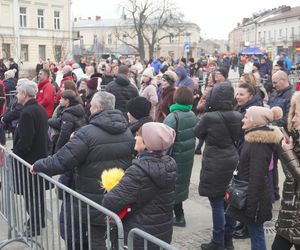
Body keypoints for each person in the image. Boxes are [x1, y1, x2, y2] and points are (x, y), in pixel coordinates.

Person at [31, 91, 134, 249]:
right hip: (117, 195)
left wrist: (38, 165)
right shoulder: (126, 131)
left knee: (95, 237)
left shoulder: (87, 133)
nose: (89, 109)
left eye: (91, 106)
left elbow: (62, 160)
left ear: (98, 108)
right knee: (114, 236)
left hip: (92, 198)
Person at [102, 122, 177, 249]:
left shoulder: (139, 171)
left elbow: (110, 202)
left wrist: (112, 187)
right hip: (160, 232)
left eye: (139, 135)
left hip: (138, 235)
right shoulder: (170, 164)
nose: (135, 138)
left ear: (148, 143)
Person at [226, 106, 283, 250]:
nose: (243, 119)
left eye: (246, 117)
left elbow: (257, 177)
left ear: (255, 122)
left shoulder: (258, 143)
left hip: (254, 199)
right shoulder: (253, 138)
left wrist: (252, 207)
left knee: (257, 235)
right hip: (253, 196)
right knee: (255, 233)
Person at [195, 83, 243, 250]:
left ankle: (217, 241)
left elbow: (198, 133)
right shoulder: (237, 116)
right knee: (229, 203)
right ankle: (228, 240)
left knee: (216, 203)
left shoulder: (209, 117)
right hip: (232, 159)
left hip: (214, 161)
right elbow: (240, 136)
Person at [13, 79, 49, 236]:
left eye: (19, 92)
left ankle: (34, 225)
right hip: (39, 157)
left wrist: (16, 153)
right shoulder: (38, 108)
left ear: (25, 94)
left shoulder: (28, 112)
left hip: (29, 160)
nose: (16, 95)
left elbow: (26, 139)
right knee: (37, 193)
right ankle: (38, 220)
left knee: (31, 195)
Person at [164, 86, 197, 227]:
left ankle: (173, 217)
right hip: (186, 158)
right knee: (179, 186)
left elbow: (164, 139)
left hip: (173, 158)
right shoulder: (191, 114)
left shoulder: (173, 116)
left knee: (170, 188)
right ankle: (179, 216)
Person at [272, 92, 300, 250]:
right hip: (290, 214)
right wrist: (288, 150)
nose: (293, 119)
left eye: (296, 114)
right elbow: (291, 175)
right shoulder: (296, 139)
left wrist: (288, 153)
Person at [268, 70, 294, 201]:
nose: (273, 85)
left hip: (285, 137)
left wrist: (272, 121)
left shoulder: (292, 95)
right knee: (272, 166)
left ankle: (291, 196)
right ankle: (274, 193)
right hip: (273, 135)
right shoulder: (274, 94)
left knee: (288, 169)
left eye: (275, 82)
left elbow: (289, 117)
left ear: (283, 80)